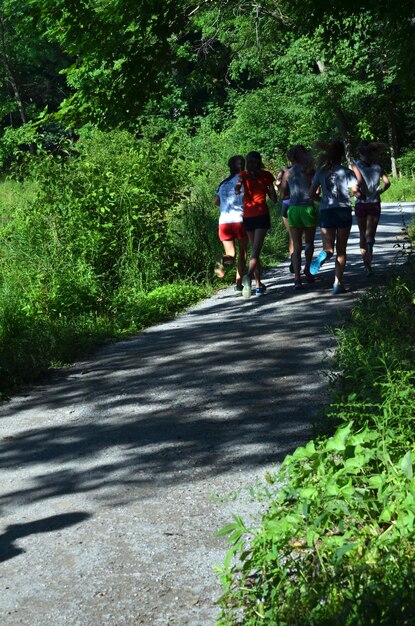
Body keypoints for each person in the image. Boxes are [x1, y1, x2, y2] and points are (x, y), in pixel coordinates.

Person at [309, 140, 360, 294]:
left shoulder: (321, 172)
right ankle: (337, 284)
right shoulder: (347, 172)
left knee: (329, 249)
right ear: (341, 155)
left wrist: (322, 201)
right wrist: (354, 195)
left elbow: (312, 194)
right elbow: (356, 191)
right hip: (343, 211)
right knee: (341, 250)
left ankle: (324, 255)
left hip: (326, 211)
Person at [235, 151, 277, 298]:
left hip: (247, 216)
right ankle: (249, 276)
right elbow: (274, 199)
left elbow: (237, 188)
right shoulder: (266, 176)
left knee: (254, 250)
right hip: (261, 215)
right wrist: (267, 189)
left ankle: (258, 285)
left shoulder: (243, 176)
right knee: (255, 251)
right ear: (259, 161)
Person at [278, 145, 316, 290]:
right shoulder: (310, 171)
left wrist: (292, 196)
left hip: (293, 209)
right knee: (309, 242)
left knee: (296, 244)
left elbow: (282, 196)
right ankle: (307, 269)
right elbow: (315, 189)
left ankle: (297, 278)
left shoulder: (288, 173)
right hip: (308, 208)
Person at [352, 141, 391, 276]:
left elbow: (354, 186)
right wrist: (379, 191)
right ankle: (369, 248)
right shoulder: (378, 166)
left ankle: (366, 265)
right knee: (370, 235)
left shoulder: (356, 165)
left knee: (362, 234)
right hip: (374, 202)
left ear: (360, 152)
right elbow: (387, 183)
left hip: (360, 203)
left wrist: (353, 194)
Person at [214, 155, 248, 293]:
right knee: (243, 253)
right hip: (239, 220)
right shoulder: (244, 181)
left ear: (229, 167)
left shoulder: (222, 183)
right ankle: (238, 284)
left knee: (231, 255)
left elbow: (216, 202)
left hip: (224, 221)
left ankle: (221, 258)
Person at [276, 165, 294, 271]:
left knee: (292, 235)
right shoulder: (303, 170)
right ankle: (300, 262)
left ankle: (293, 260)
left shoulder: (283, 171)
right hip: (300, 204)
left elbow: (278, 183)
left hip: (286, 203)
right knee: (301, 237)